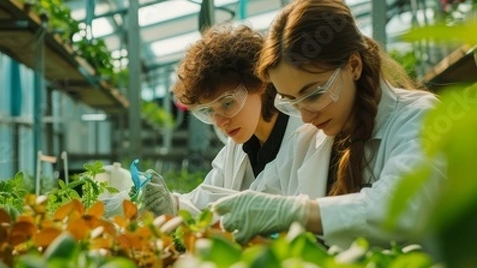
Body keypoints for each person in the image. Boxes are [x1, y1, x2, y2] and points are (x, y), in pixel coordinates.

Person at [212, 0, 445, 248]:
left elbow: (402, 208)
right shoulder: (307, 140)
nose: (305, 117)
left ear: (353, 66)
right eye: (291, 101)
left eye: (313, 94)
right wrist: (178, 209)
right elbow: (252, 202)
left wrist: (298, 213)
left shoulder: (419, 118)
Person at [140, 23, 302, 217]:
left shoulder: (304, 135)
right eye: (208, 111)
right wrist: (172, 204)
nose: (220, 122)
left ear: (260, 82)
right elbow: (205, 200)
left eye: (227, 104)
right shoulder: (237, 148)